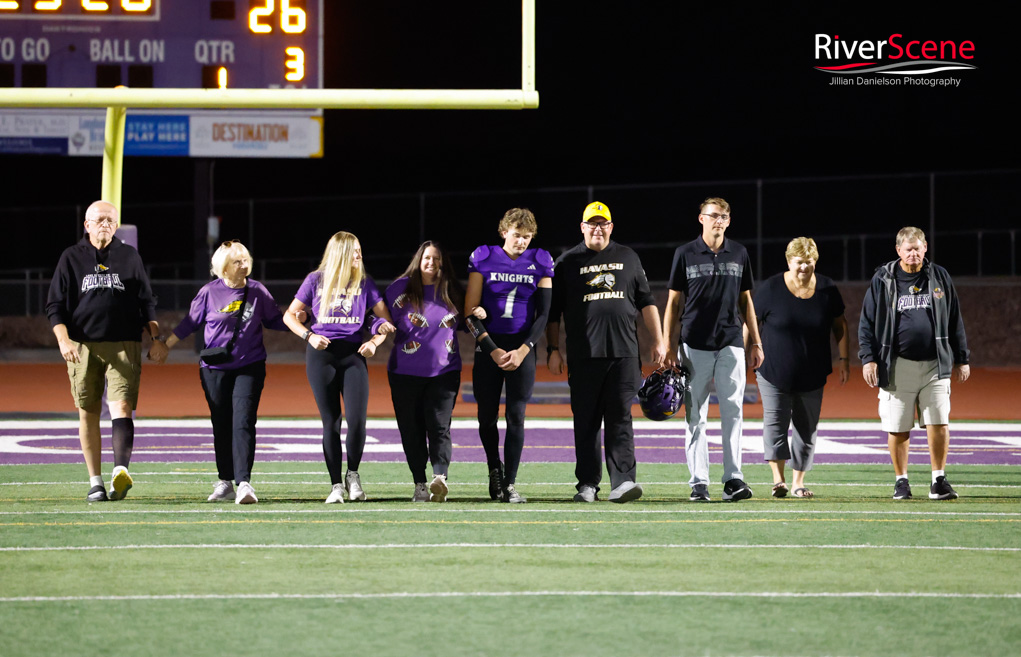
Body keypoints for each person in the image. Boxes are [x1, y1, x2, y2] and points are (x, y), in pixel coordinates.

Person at [546, 201, 666, 504]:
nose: (598, 228)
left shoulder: (628, 256)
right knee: (585, 421)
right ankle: (587, 484)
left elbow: (647, 301)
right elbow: (553, 314)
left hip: (624, 354)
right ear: (583, 227)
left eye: (603, 223)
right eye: (592, 223)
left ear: (611, 227)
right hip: (583, 355)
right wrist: (553, 349)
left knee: (620, 419)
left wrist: (659, 339)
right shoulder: (566, 263)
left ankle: (623, 482)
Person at [46, 200, 166, 502]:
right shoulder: (71, 257)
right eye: (99, 220)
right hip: (82, 346)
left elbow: (146, 301)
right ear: (86, 225)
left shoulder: (129, 256)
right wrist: (63, 339)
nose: (105, 225)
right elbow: (54, 306)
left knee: (122, 408)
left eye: (111, 221)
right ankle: (95, 481)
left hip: (124, 344)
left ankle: (119, 473)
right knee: (88, 412)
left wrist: (156, 336)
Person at [157, 240, 290, 504]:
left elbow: (275, 319)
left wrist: (305, 321)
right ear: (223, 268)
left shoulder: (258, 291)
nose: (244, 265)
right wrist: (165, 345)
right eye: (237, 262)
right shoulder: (208, 292)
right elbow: (190, 323)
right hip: (214, 368)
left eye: (246, 260)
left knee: (243, 422)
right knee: (221, 424)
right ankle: (225, 481)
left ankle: (244, 483)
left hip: (249, 366)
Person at [663, 197, 764, 502]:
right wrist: (668, 344)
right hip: (693, 344)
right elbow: (673, 302)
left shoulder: (740, 253)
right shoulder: (685, 253)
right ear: (701, 219)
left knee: (733, 413)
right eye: (713, 216)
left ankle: (733, 479)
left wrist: (756, 341)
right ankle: (699, 483)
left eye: (723, 216)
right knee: (696, 416)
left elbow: (746, 301)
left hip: (730, 341)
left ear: (729, 221)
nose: (718, 220)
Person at [284, 232, 396, 504]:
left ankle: (353, 475)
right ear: (341, 253)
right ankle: (335, 484)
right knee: (330, 422)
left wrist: (375, 342)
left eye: (360, 250)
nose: (360, 255)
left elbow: (385, 322)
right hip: (321, 354)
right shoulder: (315, 279)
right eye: (355, 251)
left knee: (357, 421)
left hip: (353, 354)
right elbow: (289, 315)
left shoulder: (365, 282)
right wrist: (308, 335)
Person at [859, 226, 970, 500]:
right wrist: (868, 359)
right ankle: (901, 481)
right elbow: (867, 322)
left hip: (935, 365)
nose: (913, 254)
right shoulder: (883, 279)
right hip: (897, 364)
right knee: (898, 426)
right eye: (908, 249)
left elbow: (954, 317)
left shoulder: (939, 276)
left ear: (925, 248)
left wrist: (962, 358)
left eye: (917, 248)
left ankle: (938, 480)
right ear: (898, 251)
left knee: (939, 422)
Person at [464, 208, 554, 504]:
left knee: (516, 416)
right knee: (486, 417)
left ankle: (510, 483)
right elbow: (470, 313)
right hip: (490, 347)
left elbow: (543, 315)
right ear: (504, 232)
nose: (522, 242)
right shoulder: (484, 257)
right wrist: (492, 349)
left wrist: (525, 349)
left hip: (522, 348)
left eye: (527, 237)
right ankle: (495, 470)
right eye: (517, 235)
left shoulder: (540, 260)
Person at [751, 237, 849, 499]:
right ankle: (778, 480)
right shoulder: (770, 288)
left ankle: (798, 482)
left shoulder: (827, 289)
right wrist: (749, 349)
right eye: (799, 262)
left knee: (807, 428)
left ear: (815, 261)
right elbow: (751, 322)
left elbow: (840, 325)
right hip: (772, 370)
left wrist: (844, 359)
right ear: (788, 261)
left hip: (813, 373)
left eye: (809, 262)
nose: (804, 267)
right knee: (775, 424)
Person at [386, 241, 465, 503]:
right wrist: (377, 327)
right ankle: (419, 483)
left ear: (444, 262)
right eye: (427, 258)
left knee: (440, 426)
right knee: (411, 428)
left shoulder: (453, 289)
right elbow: (378, 316)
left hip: (445, 371)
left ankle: (439, 477)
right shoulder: (400, 288)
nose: (432, 263)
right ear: (419, 260)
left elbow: (468, 321)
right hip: (405, 373)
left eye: (437, 258)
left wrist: (479, 313)